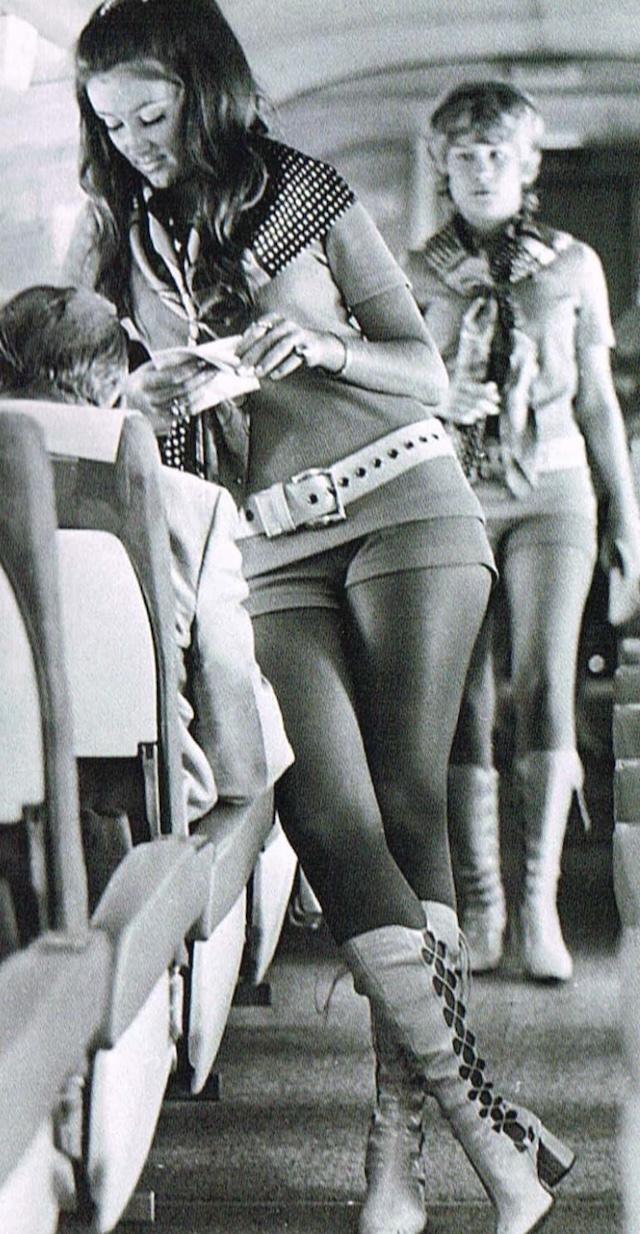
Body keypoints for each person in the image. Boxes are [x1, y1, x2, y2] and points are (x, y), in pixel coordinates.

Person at [66, 6, 574, 1232]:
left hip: (407, 505)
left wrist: (325, 345)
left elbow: (424, 374)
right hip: (270, 545)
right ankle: (493, 1135)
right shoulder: (112, 235)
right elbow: (98, 398)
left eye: (153, 112)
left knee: (406, 803)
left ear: (204, 90)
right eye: (111, 123)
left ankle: (395, 1158)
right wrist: (144, 391)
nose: (134, 141)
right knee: (331, 816)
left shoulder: (306, 190)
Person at [405, 81, 640, 982]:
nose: (478, 170)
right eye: (462, 154)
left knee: (544, 679)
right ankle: (484, 907)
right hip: (455, 494)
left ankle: (539, 906)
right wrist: (437, 396)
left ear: (530, 165)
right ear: (441, 165)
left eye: (496, 153)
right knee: (462, 698)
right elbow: (393, 396)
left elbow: (595, 404)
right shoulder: (417, 272)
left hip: (553, 490)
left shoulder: (573, 265)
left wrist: (627, 514)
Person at [0, 283, 293, 830]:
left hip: (12, 828)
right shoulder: (194, 509)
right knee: (261, 793)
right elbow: (241, 761)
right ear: (116, 393)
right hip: (142, 836)